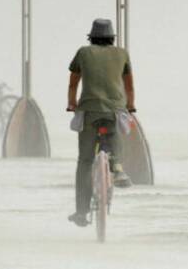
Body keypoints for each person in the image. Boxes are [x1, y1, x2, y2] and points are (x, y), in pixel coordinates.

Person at [67, 18, 136, 227]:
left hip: (89, 110)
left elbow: (73, 83)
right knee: (114, 134)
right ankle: (118, 166)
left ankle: (81, 212)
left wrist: (72, 103)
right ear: (111, 38)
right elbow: (129, 87)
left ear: (92, 37)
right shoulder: (122, 53)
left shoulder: (83, 52)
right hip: (115, 110)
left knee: (85, 161)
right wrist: (130, 106)